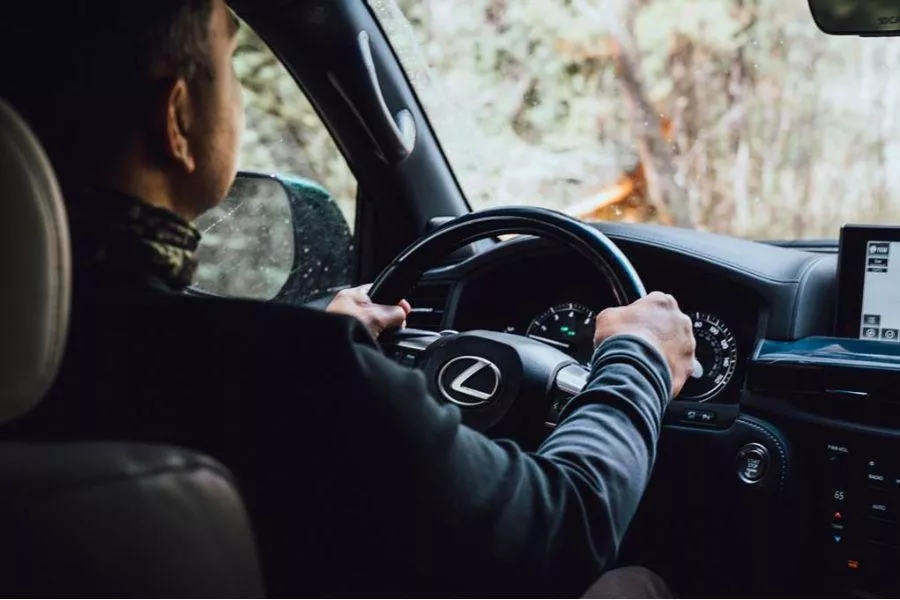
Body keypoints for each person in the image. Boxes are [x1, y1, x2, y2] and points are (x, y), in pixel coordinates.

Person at [0, 1, 694, 597]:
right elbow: (562, 530)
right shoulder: (302, 377)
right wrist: (638, 359)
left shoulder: (85, 359)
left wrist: (307, 333)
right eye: (232, 64)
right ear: (176, 120)